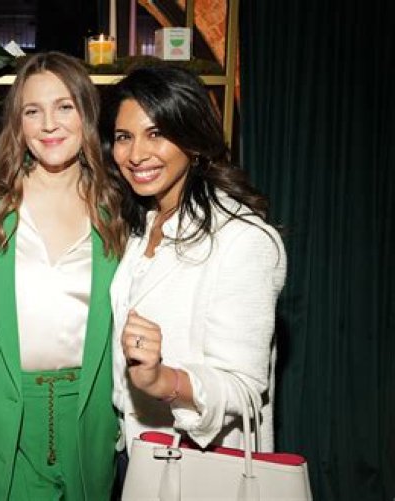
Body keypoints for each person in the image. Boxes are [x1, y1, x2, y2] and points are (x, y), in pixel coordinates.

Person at [0, 52, 127, 500]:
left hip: (89, 415)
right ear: (18, 122)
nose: (49, 124)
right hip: (0, 416)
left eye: (64, 106)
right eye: (33, 111)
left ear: (87, 113)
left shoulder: (118, 204)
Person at [100, 65, 287, 458]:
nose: (136, 154)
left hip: (198, 464)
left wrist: (161, 380)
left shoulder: (240, 239)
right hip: (134, 451)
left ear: (194, 140)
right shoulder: (141, 223)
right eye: (124, 137)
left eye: (156, 133)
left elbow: (244, 389)